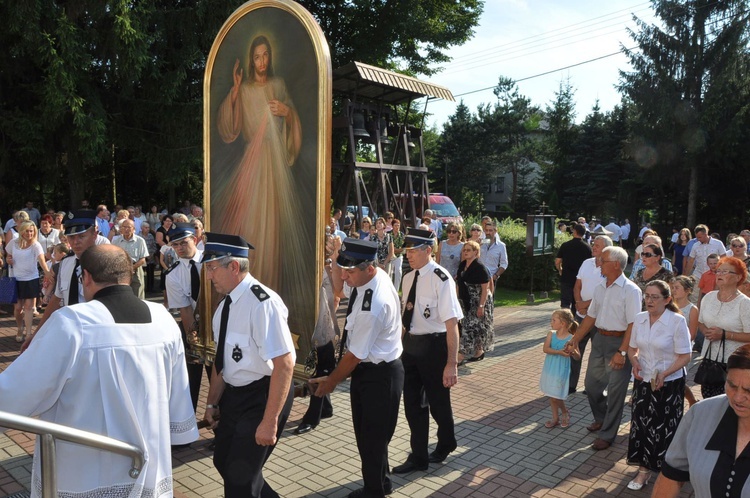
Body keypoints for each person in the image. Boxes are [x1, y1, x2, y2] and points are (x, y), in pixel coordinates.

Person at [0, 244, 198, 497]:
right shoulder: (163, 319)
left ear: (86, 278)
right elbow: (177, 393)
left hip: (83, 469)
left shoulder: (72, 322)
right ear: (127, 275)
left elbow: (19, 391)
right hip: (145, 460)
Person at [201, 233, 295, 498]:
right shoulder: (225, 305)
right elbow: (223, 361)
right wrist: (211, 403)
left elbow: (285, 364)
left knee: (240, 478)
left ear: (233, 266)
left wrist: (269, 421)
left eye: (212, 268)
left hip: (263, 396)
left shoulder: (263, 304)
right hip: (236, 396)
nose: (209, 276)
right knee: (224, 462)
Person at [310, 238, 404, 498]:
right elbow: (341, 289)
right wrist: (338, 259)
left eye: (350, 271)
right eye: (343, 269)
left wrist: (330, 382)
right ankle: (381, 482)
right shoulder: (370, 277)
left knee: (371, 440)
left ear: (369, 268)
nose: (344, 276)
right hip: (377, 371)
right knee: (374, 436)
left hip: (378, 375)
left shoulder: (371, 306)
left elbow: (353, 357)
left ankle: (374, 491)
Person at [213, 34, 304, 296]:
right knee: (250, 225)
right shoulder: (243, 89)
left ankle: (268, 292)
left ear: (270, 57)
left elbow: (292, 121)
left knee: (272, 231)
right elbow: (229, 129)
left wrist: (287, 113)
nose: (261, 61)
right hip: (250, 166)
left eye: (265, 55)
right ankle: (245, 287)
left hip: (274, 167)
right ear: (251, 60)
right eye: (256, 56)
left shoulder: (278, 84)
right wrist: (234, 92)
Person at [393, 228, 463, 473]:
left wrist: (451, 363)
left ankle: (446, 442)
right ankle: (418, 457)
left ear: (428, 250)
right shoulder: (408, 278)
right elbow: (406, 318)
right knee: (412, 405)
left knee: (438, 403)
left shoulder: (441, 278)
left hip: (435, 349)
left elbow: (452, 323)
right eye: (408, 250)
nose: (409, 255)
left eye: (413, 250)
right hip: (411, 348)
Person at [565, 246, 642, 451]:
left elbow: (633, 324)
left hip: (619, 343)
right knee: (591, 386)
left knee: (616, 392)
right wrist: (575, 339)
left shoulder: (631, 290)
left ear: (616, 264)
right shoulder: (600, 287)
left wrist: (623, 352)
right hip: (599, 340)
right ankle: (601, 418)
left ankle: (607, 434)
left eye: (603, 260)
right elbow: (590, 316)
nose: (598, 263)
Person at [653, 343, 750, 496]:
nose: (738, 397)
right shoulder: (700, 414)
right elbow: (671, 476)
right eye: (731, 385)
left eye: (749, 390)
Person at [625, 280, 692, 490]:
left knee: (665, 428)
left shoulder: (676, 321)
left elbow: (685, 356)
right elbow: (632, 348)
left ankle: (669, 473)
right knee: (641, 425)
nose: (649, 300)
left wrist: (666, 373)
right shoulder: (640, 319)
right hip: (644, 381)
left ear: (667, 300)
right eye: (647, 296)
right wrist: (634, 361)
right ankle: (643, 471)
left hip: (669, 383)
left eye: (655, 297)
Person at [25, 209, 109, 351]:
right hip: (71, 333)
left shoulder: (104, 264)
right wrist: (36, 334)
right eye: (71, 237)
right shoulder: (66, 263)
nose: (75, 242)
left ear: (94, 234)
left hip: (97, 335)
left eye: (81, 236)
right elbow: (56, 299)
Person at [164, 223, 208, 412]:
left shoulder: (210, 262)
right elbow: (185, 309)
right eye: (175, 245)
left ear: (195, 240)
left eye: (184, 243)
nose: (180, 248)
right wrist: (194, 340)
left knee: (219, 376)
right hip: (192, 327)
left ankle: (220, 427)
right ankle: (187, 427)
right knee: (190, 378)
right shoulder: (173, 274)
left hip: (219, 325)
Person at [697, 256, 750, 398]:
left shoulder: (744, 304)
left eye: (725, 272)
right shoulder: (708, 297)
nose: (719, 275)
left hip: (733, 365)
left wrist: (725, 334)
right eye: (718, 271)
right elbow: (700, 321)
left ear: (738, 277)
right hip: (709, 361)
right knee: (708, 403)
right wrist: (706, 332)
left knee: (727, 405)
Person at [571, 235, 612, 394]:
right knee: (574, 348)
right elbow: (577, 286)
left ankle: (592, 386)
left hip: (598, 318)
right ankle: (570, 385)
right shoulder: (586, 263)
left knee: (597, 354)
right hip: (581, 316)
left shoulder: (609, 267)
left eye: (597, 245)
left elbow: (606, 292)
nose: (593, 247)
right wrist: (578, 304)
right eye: (593, 244)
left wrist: (585, 304)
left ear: (606, 249)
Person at [5, 221, 51, 342]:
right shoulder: (13, 243)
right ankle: (20, 328)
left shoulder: (36, 245)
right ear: (22, 231)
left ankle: (29, 332)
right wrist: (8, 259)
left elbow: (41, 260)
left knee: (29, 307)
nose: (29, 233)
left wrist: (48, 273)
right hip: (16, 279)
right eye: (27, 230)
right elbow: (8, 255)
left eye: (31, 231)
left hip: (31, 279)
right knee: (18, 308)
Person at [540, 309, 580, 429]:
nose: (551, 322)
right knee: (552, 395)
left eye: (553, 320)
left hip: (561, 370)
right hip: (550, 368)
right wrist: (559, 352)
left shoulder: (572, 338)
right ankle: (556, 418)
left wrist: (572, 351)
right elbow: (545, 349)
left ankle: (564, 412)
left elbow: (578, 356)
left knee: (555, 395)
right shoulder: (551, 334)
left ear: (562, 323)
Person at [456, 241, 493, 362]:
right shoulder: (462, 265)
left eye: (468, 250)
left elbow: (485, 288)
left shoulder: (480, 268)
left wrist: (481, 306)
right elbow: (459, 283)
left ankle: (460, 356)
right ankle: (478, 351)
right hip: (465, 300)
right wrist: (456, 300)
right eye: (464, 250)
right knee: (474, 327)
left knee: (469, 327)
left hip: (479, 301)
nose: (465, 252)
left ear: (476, 252)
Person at [671, 275, 700, 406]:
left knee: (678, 378)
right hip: (664, 347)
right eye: (672, 287)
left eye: (677, 287)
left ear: (687, 290)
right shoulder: (668, 304)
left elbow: (692, 334)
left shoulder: (692, 309)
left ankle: (690, 400)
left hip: (681, 349)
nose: (673, 290)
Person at [555, 222, 592, 314]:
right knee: (577, 301)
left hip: (566, 276)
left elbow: (557, 261)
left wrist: (560, 269)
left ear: (574, 232)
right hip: (580, 279)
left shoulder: (565, 245)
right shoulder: (587, 248)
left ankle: (564, 322)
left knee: (565, 302)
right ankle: (575, 323)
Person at [111, 219, 148, 299]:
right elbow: (113, 257)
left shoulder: (140, 241)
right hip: (121, 270)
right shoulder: (116, 241)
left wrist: (131, 268)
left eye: (129, 227)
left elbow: (143, 259)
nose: (126, 229)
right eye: (124, 227)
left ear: (134, 229)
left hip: (136, 269)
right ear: (120, 229)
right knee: (121, 294)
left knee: (138, 293)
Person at [479, 221, 508, 294]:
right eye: (486, 230)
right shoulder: (480, 243)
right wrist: (477, 245)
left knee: (490, 300)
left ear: (495, 231)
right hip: (478, 276)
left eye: (490, 230)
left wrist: (496, 275)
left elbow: (504, 263)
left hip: (491, 277)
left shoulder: (501, 246)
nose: (488, 232)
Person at [390, 219, 405, 291]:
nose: (397, 227)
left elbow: (403, 248)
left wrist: (395, 250)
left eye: (398, 226)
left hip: (399, 256)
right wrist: (394, 250)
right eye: (395, 225)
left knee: (398, 271)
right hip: (390, 256)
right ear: (392, 226)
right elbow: (389, 247)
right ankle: (389, 289)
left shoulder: (402, 235)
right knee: (390, 272)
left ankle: (396, 290)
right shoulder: (388, 234)